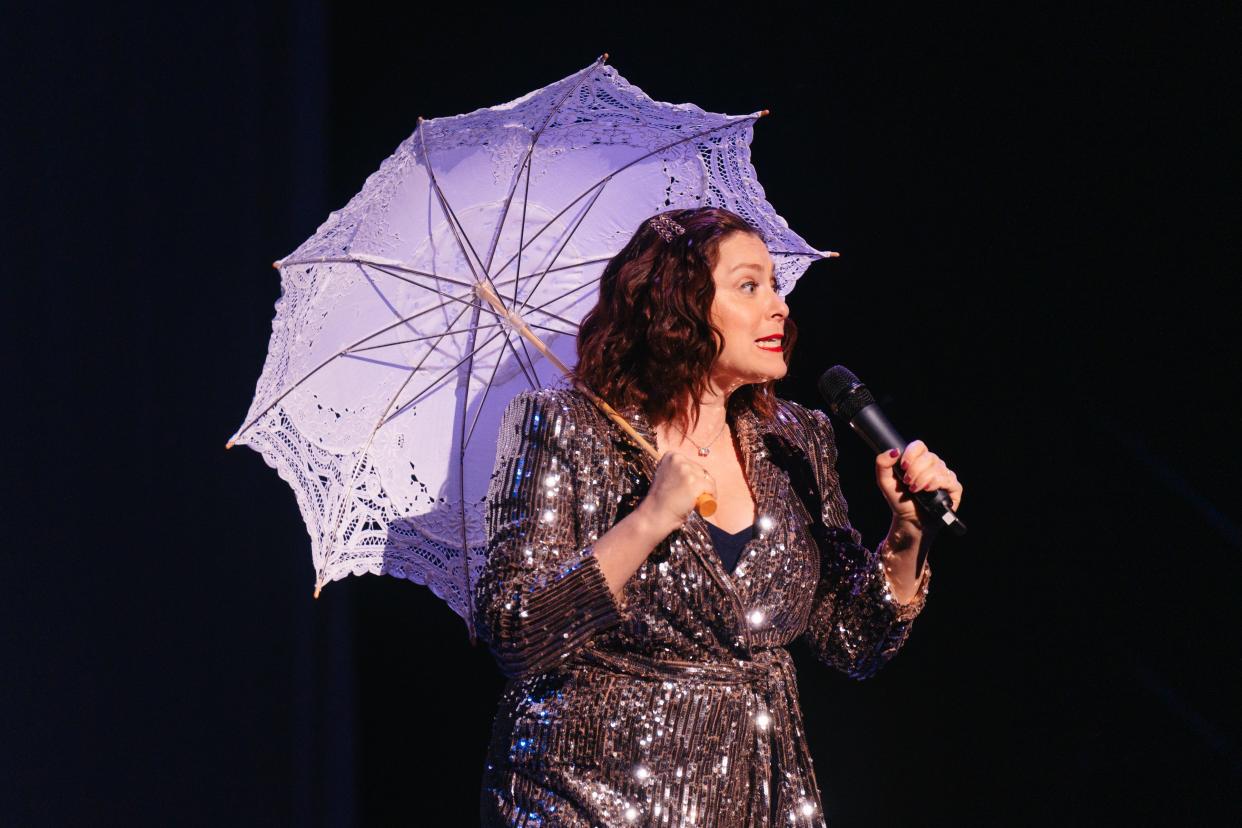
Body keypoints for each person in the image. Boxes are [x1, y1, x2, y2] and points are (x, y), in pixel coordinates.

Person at [474, 207, 963, 827]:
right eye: (749, 286)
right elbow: (514, 632)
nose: (779, 308)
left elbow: (852, 642)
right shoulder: (564, 425)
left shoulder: (796, 440)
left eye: (775, 286)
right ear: (678, 307)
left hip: (755, 798)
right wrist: (647, 519)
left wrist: (907, 532)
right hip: (586, 799)